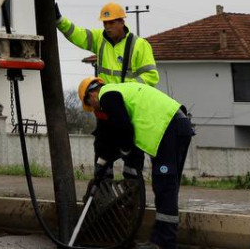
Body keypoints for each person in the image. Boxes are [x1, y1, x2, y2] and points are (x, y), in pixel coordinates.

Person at [80, 77, 195, 249]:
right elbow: (107, 139)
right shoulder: (119, 94)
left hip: (170, 128)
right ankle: (162, 240)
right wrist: (100, 168)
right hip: (173, 127)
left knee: (165, 187)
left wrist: (125, 150)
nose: (94, 109)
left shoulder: (108, 95)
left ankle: (163, 243)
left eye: (90, 104)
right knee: (166, 187)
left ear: (91, 95)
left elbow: (124, 129)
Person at [56, 1, 158, 86]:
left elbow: (151, 76)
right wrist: (60, 21)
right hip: (107, 101)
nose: (108, 27)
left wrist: (128, 89)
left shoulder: (139, 45)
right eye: (105, 23)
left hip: (130, 101)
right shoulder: (99, 38)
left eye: (112, 22)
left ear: (122, 22)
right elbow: (77, 34)